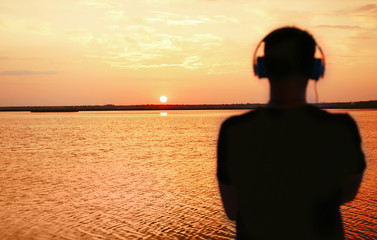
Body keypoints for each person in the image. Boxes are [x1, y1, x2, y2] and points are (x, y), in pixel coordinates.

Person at [217, 27, 366, 240]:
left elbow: (232, 210)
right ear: (316, 68)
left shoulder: (234, 130)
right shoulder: (341, 128)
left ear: (261, 67)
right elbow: (349, 192)